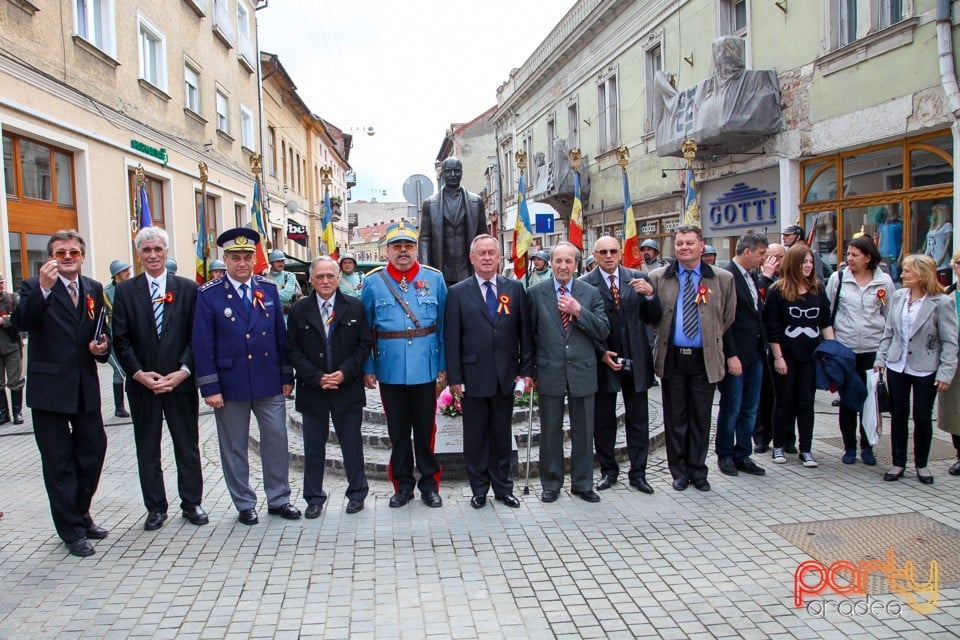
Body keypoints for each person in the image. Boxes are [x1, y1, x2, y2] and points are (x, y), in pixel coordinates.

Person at [193, 227, 300, 524]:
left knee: (277, 440)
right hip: (229, 384)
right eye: (235, 257)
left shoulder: (267, 290)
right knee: (235, 446)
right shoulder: (209, 295)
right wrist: (209, 387)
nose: (242, 263)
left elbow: (280, 335)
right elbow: (202, 344)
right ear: (225, 260)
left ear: (255, 259)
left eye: (247, 257)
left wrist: (286, 375)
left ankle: (279, 498)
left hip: (267, 380)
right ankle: (244, 502)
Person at [14, 230, 111, 558]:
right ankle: (71, 530)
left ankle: (80, 511)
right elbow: (21, 322)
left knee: (93, 451)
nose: (67, 257)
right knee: (58, 463)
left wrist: (102, 347)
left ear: (82, 256)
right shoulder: (33, 287)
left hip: (85, 386)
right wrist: (42, 289)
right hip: (50, 391)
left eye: (73, 252)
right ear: (51, 257)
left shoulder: (94, 289)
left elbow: (101, 330)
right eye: (60, 253)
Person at [111, 227, 207, 531]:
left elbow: (197, 336)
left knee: (187, 445)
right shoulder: (126, 292)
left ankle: (191, 503)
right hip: (143, 387)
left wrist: (183, 371)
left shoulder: (189, 289)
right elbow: (121, 339)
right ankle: (155, 507)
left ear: (166, 252)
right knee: (148, 448)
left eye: (157, 250)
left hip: (180, 383)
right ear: (139, 256)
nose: (152, 255)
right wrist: (139, 374)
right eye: (146, 251)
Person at [362, 222, 448, 508]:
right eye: (397, 246)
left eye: (408, 246)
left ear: (416, 250)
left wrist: (443, 364)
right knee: (398, 432)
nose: (402, 251)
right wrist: (368, 367)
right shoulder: (374, 282)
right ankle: (402, 485)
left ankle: (429, 485)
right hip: (390, 369)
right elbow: (364, 330)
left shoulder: (434, 279)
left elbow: (444, 327)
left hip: (425, 367)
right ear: (387, 250)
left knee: (426, 430)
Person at [445, 234, 533, 508]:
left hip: (505, 375)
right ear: (471, 258)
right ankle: (479, 488)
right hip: (472, 377)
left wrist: (525, 371)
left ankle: (503, 488)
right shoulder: (458, 292)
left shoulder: (515, 289)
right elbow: (452, 338)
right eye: (481, 253)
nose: (486, 258)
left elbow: (526, 335)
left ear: (499, 257)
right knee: (475, 436)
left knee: (501, 435)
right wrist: (455, 377)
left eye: (491, 253)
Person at [649, 225, 735, 492]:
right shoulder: (659, 277)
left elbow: (727, 316)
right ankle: (679, 472)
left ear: (701, 245)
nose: (683, 248)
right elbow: (652, 316)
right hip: (673, 357)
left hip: (704, 358)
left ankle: (699, 470)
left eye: (689, 243)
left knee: (701, 416)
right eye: (679, 244)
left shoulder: (721, 279)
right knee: (675, 419)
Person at [287, 256, 372, 516]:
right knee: (313, 447)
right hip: (313, 390)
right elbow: (292, 349)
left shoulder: (355, 307)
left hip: (347, 387)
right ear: (311, 279)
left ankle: (357, 493)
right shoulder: (299, 310)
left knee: (352, 445)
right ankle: (314, 498)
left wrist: (345, 373)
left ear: (338, 279)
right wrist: (316, 376)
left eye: (330, 276)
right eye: (320, 276)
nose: (325, 281)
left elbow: (363, 345)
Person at [529, 241, 609, 503]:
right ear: (550, 263)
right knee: (550, 431)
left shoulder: (590, 293)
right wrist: (529, 372)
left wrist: (579, 312)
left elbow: (603, 330)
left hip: (582, 371)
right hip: (549, 369)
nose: (563, 266)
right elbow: (529, 337)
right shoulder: (536, 293)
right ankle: (551, 483)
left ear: (577, 264)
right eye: (558, 261)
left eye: (569, 261)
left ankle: (583, 483)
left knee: (584, 430)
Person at [581, 236, 661, 494]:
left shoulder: (637, 278)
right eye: (602, 251)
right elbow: (584, 328)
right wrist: (601, 353)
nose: (608, 255)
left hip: (636, 359)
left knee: (638, 419)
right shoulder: (585, 284)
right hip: (605, 360)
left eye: (613, 251)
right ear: (594, 254)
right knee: (603, 421)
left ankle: (638, 473)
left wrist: (650, 296)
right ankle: (608, 471)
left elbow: (654, 318)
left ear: (620, 253)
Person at [875, 254, 958, 484]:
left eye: (907, 271)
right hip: (897, 364)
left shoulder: (942, 302)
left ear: (922, 274)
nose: (902, 275)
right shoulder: (900, 296)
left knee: (922, 416)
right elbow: (889, 331)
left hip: (926, 366)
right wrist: (880, 359)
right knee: (898, 414)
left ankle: (922, 464)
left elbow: (950, 341)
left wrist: (945, 373)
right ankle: (898, 461)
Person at [764, 244, 835, 468]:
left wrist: (831, 351)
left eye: (811, 262)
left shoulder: (817, 290)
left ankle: (806, 448)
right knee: (783, 401)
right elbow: (772, 327)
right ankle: (779, 445)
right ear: (794, 263)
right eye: (804, 262)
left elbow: (825, 322)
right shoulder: (778, 291)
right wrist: (778, 356)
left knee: (806, 402)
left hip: (810, 356)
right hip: (785, 354)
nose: (808, 266)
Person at [826, 236, 894, 466]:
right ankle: (849, 447)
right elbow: (829, 310)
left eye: (855, 255)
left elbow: (889, 317)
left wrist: (883, 352)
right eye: (848, 254)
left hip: (872, 348)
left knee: (869, 400)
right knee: (847, 400)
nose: (849, 259)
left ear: (868, 257)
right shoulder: (839, 278)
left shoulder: (883, 283)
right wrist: (833, 343)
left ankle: (867, 447)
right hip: (845, 348)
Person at [716, 233, 769, 478]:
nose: (764, 259)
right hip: (736, 354)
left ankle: (743, 453)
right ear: (747, 252)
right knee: (732, 407)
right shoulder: (726, 276)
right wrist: (731, 354)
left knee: (750, 407)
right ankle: (725, 454)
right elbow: (723, 321)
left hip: (756, 353)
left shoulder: (753, 277)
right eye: (761, 254)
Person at [419, 157, 485, 286]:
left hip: (467, 270)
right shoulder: (430, 203)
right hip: (442, 270)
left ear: (461, 172)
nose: (453, 175)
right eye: (449, 171)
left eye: (457, 171)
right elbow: (424, 239)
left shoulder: (476, 202)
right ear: (442, 173)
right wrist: (426, 270)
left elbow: (483, 236)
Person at [753, 242, 786, 453]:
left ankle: (785, 437)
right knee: (764, 394)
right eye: (773, 257)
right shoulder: (758, 280)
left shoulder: (789, 281)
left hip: (786, 343)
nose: (778, 262)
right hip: (763, 343)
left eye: (781, 257)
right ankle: (762, 437)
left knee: (784, 395)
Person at [936, 248, 960, 476]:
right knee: (954, 409)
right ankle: (959, 453)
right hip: (954, 358)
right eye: (959, 262)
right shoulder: (948, 294)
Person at [103, 259, 132, 418]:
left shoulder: (130, 288)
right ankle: (119, 407)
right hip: (114, 337)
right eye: (125, 271)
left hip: (129, 335)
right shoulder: (106, 293)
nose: (128, 273)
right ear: (116, 275)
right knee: (119, 370)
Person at [0, 273, 24, 425]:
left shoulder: (11, 299)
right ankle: (3, 412)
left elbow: (20, 319)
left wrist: (4, 320)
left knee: (15, 381)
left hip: (12, 346)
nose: (1, 285)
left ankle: (17, 412)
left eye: (2, 282)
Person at [923, 203, 953, 284]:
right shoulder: (932, 226)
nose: (933, 215)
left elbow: (948, 241)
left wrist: (942, 257)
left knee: (942, 284)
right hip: (930, 260)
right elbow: (928, 242)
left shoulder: (947, 225)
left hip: (941, 261)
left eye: (935, 213)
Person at [265, 249, 301, 314]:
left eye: (282, 261)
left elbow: (286, 296)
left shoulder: (289, 276)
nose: (281, 264)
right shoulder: (265, 279)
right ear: (271, 262)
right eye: (278, 261)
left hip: (289, 316)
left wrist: (270, 293)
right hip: (273, 315)